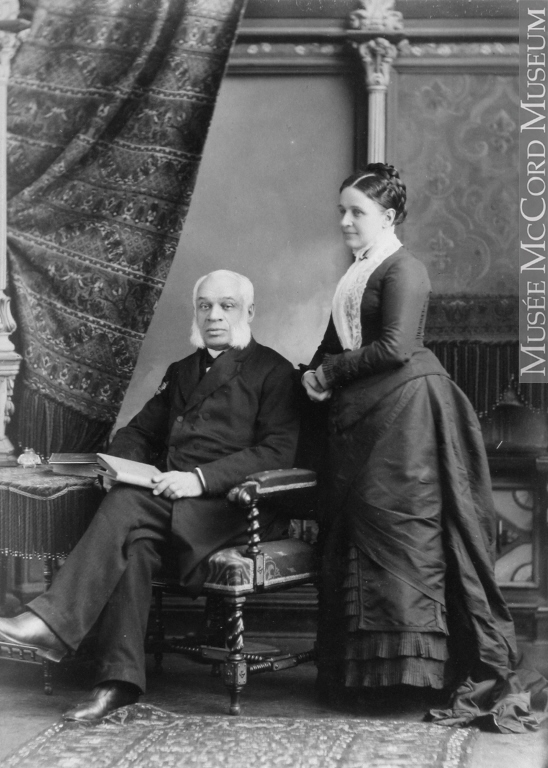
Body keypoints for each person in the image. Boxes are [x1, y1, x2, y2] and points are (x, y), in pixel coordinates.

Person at [301, 163, 547, 732]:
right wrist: (311, 374)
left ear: (387, 217)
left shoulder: (404, 268)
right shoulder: (357, 272)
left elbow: (394, 347)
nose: (345, 221)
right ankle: (364, 678)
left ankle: (414, 677)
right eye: (342, 211)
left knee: (404, 536)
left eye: (357, 212)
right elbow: (335, 339)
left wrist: (330, 373)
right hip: (362, 415)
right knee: (360, 535)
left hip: (406, 413)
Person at [0, 269, 299, 721]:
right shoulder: (182, 371)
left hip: (236, 508)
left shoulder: (274, 372)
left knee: (128, 505)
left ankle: (50, 623)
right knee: (135, 542)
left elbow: (277, 451)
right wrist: (119, 466)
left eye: (227, 306)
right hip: (175, 503)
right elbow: (138, 432)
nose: (214, 316)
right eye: (204, 306)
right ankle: (118, 684)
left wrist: (199, 479)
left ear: (249, 312)